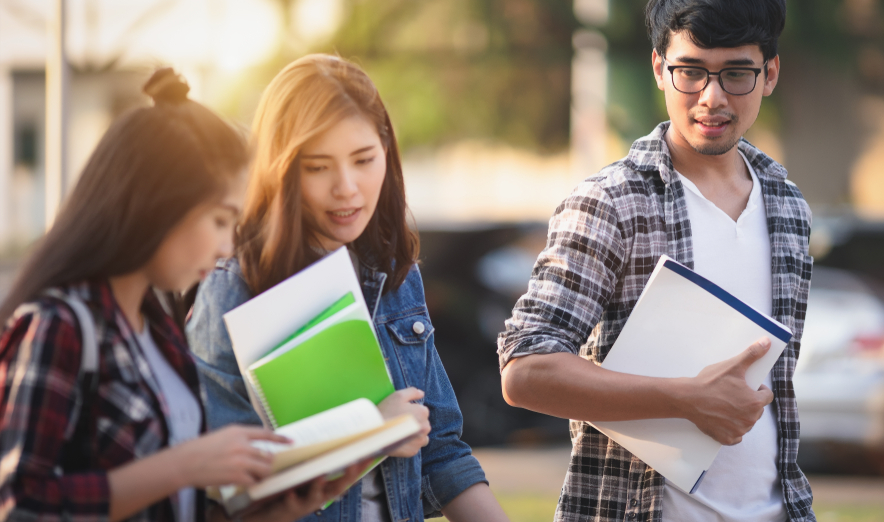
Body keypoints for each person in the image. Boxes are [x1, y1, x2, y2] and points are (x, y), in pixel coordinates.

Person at [498, 0, 815, 522]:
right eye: (690, 71)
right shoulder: (612, 202)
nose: (711, 98)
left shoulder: (788, 206)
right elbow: (525, 369)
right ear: (658, 68)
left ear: (770, 75)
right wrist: (682, 399)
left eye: (735, 74)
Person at [0, 69, 364, 522]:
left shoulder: (160, 334)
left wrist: (278, 510)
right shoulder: (61, 327)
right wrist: (183, 466)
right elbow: (21, 507)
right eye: (217, 221)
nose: (227, 246)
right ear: (158, 204)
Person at [186, 54, 510, 522]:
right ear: (282, 170)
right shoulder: (233, 292)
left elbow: (441, 453)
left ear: (387, 153)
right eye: (318, 167)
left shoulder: (396, 276)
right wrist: (367, 434)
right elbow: (225, 489)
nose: (347, 188)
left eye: (363, 160)